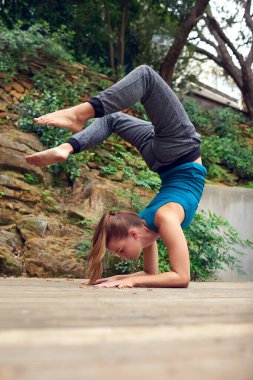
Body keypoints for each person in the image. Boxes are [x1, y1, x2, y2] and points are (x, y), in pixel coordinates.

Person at [26, 65, 207, 289]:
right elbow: (173, 276)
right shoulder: (158, 221)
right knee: (135, 92)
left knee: (138, 88)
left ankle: (73, 131)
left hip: (173, 153)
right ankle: (72, 132)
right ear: (133, 233)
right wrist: (126, 278)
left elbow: (178, 277)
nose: (121, 257)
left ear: (132, 233)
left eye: (119, 250)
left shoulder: (154, 221)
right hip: (175, 152)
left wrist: (130, 279)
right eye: (120, 251)